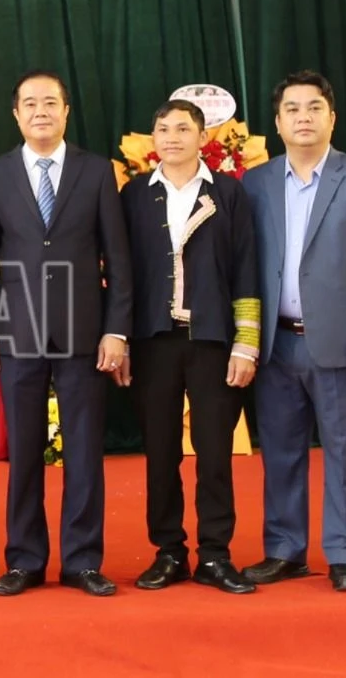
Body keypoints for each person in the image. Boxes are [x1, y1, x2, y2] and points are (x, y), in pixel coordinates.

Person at [0, 71, 133, 598]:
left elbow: (118, 257)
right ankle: (24, 559)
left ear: (66, 111)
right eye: (30, 103)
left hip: (84, 333)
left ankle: (83, 561)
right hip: (17, 333)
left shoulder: (96, 171)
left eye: (50, 102)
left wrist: (116, 330)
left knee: (83, 451)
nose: (40, 111)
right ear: (16, 114)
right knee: (24, 451)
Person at [241, 71, 346, 593]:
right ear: (277, 122)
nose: (303, 117)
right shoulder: (257, 183)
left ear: (332, 117)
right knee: (280, 454)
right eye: (292, 109)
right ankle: (285, 550)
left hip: (341, 343)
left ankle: (345, 552)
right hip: (276, 343)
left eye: (313, 108)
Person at [120, 99, 259, 595]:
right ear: (153, 139)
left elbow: (246, 265)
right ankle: (169, 552)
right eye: (164, 129)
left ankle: (216, 554)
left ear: (203, 138)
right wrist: (120, 338)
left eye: (183, 128)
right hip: (153, 340)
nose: (173, 137)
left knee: (215, 451)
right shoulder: (135, 194)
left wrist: (246, 344)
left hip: (213, 340)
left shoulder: (228, 192)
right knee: (160, 452)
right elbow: (121, 273)